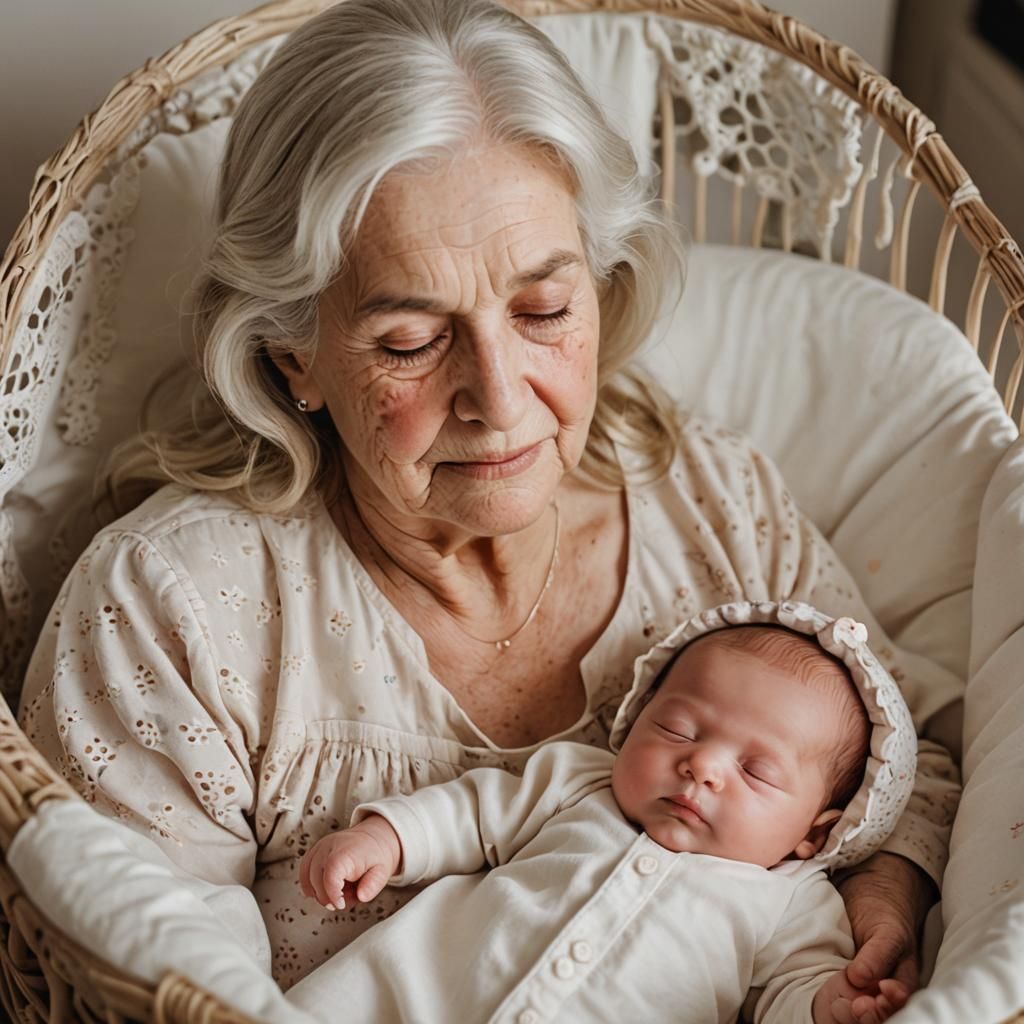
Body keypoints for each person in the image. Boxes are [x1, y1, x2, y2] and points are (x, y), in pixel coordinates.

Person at [19, 0, 959, 997]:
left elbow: (904, 768)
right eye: (410, 342)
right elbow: (146, 985)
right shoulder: (171, 606)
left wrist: (877, 904)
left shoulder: (715, 505)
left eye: (545, 310)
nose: (502, 401)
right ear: (293, 351)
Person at [291, 604, 920, 1024]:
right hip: (413, 998)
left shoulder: (794, 902)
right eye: (677, 729)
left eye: (756, 771)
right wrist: (386, 837)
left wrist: (827, 1004)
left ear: (815, 832)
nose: (702, 767)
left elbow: (787, 992)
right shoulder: (577, 783)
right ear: (635, 718)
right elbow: (473, 811)